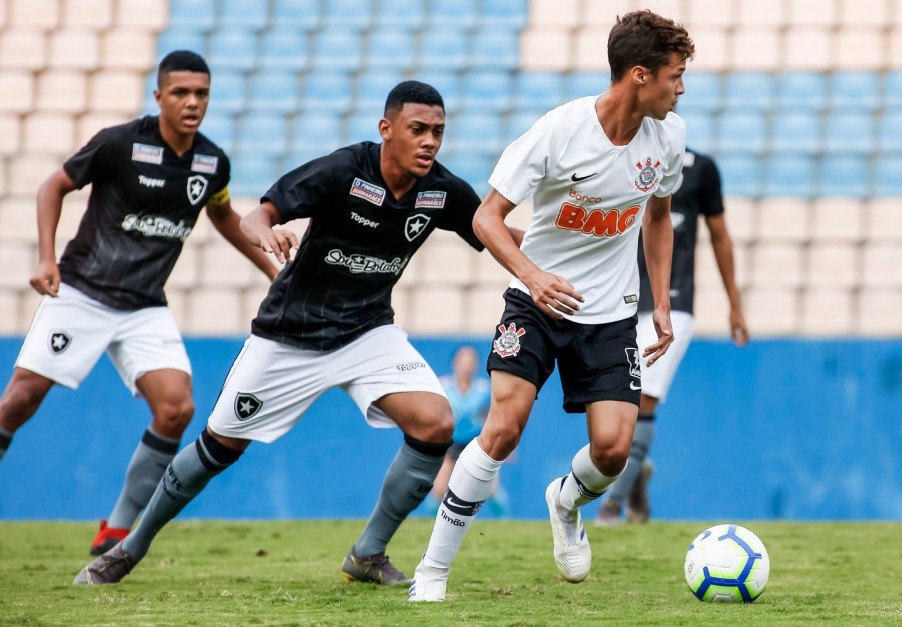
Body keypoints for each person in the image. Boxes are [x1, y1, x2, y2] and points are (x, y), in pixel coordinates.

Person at [74, 80, 524, 587]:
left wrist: (564, 252)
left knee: (435, 424)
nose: (429, 142)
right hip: (289, 335)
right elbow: (256, 215)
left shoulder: (441, 190)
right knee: (218, 447)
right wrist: (267, 232)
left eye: (438, 132)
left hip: (367, 332)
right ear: (386, 129)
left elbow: (496, 234)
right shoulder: (342, 171)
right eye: (418, 129)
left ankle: (368, 554)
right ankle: (128, 548)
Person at [409, 10, 695, 602]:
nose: (682, 88)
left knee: (614, 450)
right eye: (675, 75)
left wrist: (660, 301)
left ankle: (565, 502)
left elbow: (660, 218)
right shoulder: (558, 131)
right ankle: (431, 573)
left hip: (611, 311)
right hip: (535, 303)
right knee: (503, 428)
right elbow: (486, 219)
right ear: (639, 75)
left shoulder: (669, 137)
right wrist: (533, 276)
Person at [0, 50, 277, 555]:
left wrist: (273, 271)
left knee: (176, 409)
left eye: (202, 94)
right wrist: (46, 257)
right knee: (19, 401)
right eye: (181, 93)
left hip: (145, 305)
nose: (192, 103)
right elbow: (53, 185)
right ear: (159, 96)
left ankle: (117, 528)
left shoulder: (212, 162)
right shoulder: (121, 144)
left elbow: (222, 218)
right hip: (82, 291)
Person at [595, 147, 749, 526]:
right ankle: (636, 477)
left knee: (645, 400)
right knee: (621, 405)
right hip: (623, 298)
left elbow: (720, 236)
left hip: (674, 302)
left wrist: (735, 304)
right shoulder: (615, 159)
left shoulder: (701, 169)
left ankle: (612, 505)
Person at [428, 345, 510, 517]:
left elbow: (491, 416)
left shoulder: (484, 388)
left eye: (470, 362)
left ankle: (505, 523)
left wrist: (505, 445)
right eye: (462, 361)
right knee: (439, 490)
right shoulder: (442, 385)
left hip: (477, 442)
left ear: (476, 365)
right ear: (454, 363)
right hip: (449, 443)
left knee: (492, 489)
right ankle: (426, 529)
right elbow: (434, 416)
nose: (466, 366)